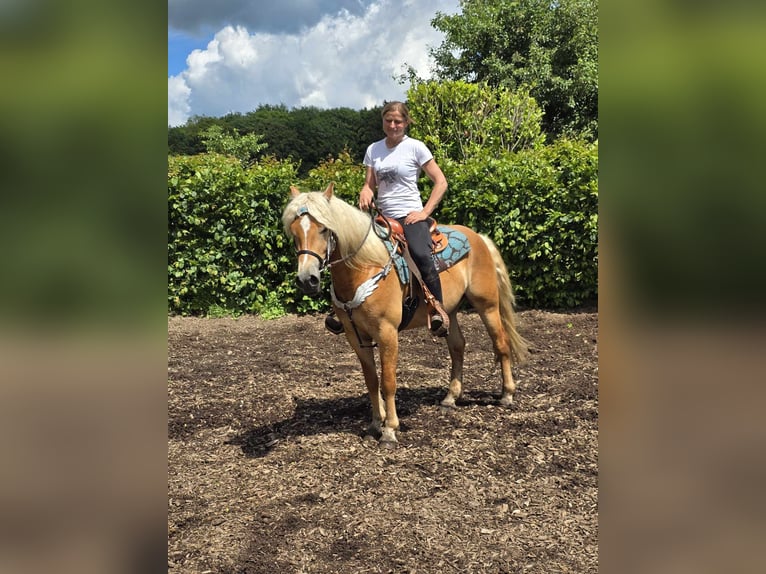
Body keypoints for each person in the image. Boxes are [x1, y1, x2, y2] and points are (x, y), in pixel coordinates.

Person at [326, 101, 450, 336]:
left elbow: (441, 182)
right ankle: (342, 309)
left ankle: (437, 309)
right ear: (383, 121)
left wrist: (424, 212)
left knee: (422, 255)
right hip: (382, 217)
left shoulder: (416, 147)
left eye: (398, 121)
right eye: (388, 121)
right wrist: (366, 190)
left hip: (410, 216)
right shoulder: (374, 149)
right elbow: (370, 183)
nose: (393, 125)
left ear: (406, 122)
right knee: (349, 250)